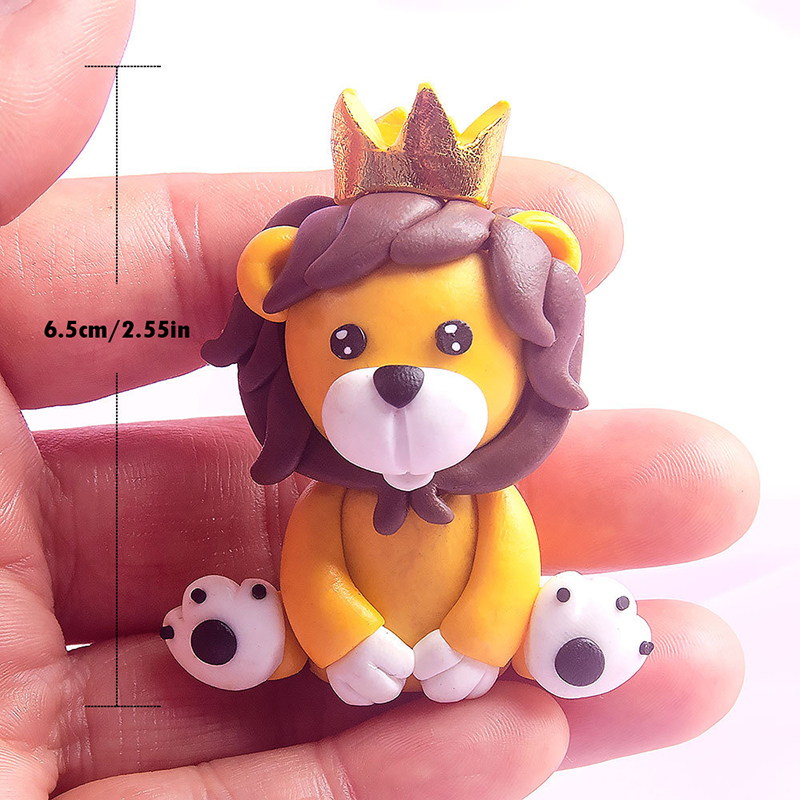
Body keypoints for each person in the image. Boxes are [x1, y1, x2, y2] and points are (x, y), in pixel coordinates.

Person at [0, 1, 759, 797]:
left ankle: (551, 641)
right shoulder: (327, 503)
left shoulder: (492, 505)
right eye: (348, 344)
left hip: (470, 652)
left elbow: (504, 567)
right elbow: (316, 567)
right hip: (350, 657)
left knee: (535, 605)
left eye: (453, 342)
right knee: (292, 612)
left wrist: (475, 640)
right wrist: (346, 639)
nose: (401, 379)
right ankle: (269, 642)